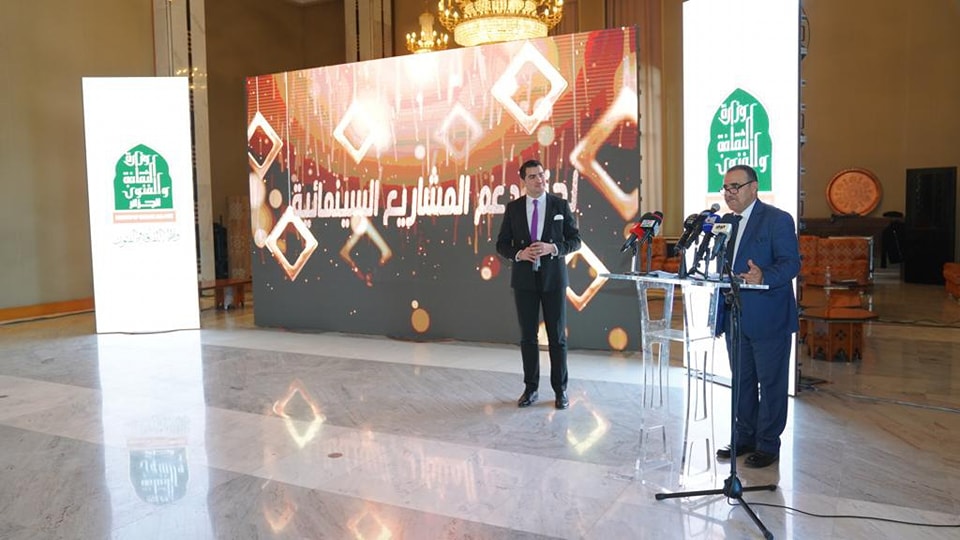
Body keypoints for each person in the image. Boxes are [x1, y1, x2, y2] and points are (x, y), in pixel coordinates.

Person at [715, 164, 800, 468]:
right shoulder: (725, 222)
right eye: (726, 188)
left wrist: (764, 275)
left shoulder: (777, 219)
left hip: (769, 316)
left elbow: (791, 264)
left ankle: (767, 444)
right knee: (742, 381)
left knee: (771, 383)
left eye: (735, 187)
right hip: (735, 316)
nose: (729, 193)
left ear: (753, 187)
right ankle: (744, 437)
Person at [496, 159, 582, 409]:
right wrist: (519, 254)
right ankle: (530, 388)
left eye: (542, 175)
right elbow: (502, 244)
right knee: (528, 337)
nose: (539, 180)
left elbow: (575, 240)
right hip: (524, 281)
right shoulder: (513, 208)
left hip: (554, 280)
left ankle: (560, 391)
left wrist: (553, 248)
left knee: (557, 338)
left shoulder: (559, 205)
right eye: (532, 176)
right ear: (523, 181)